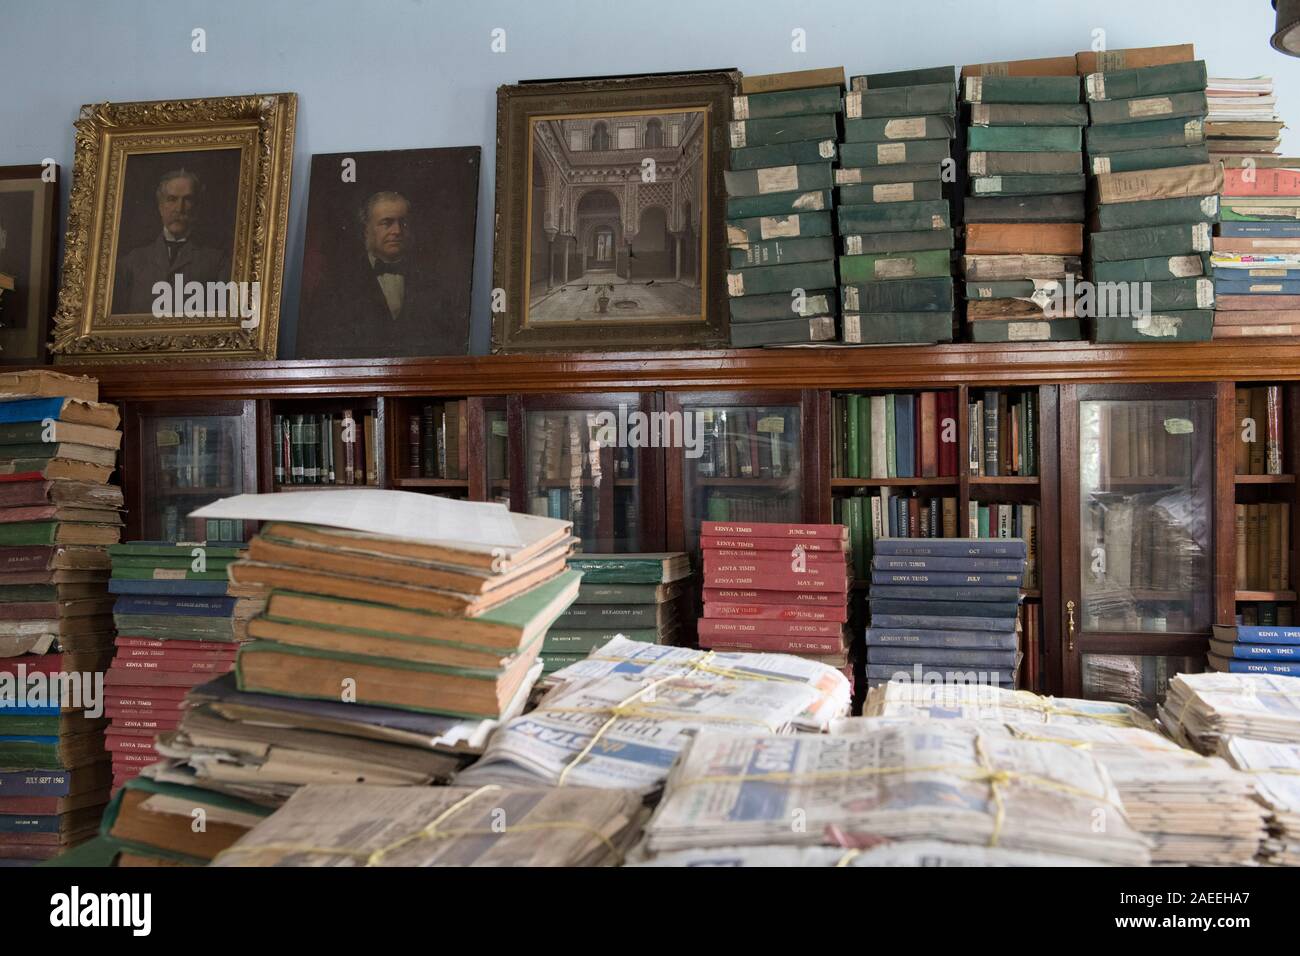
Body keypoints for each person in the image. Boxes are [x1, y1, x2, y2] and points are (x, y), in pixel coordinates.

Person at [302, 189, 462, 357]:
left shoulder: (433, 282)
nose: (397, 231)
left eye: (404, 223)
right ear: (367, 231)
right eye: (387, 223)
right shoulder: (337, 284)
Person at [112, 169, 231, 315]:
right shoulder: (131, 263)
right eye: (171, 199)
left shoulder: (217, 261)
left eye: (187, 200)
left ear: (197, 207)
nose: (179, 208)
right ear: (160, 206)